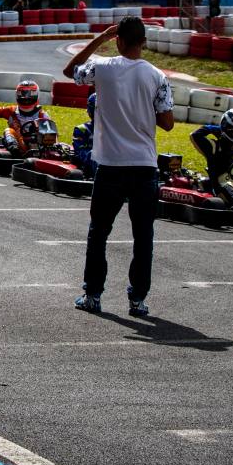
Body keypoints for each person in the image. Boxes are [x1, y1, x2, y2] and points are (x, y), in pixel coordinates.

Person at [65, 16, 174, 317]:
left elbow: (69, 71)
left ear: (119, 40)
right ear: (144, 43)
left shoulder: (103, 68)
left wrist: (99, 39)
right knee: (143, 236)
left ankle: (93, 295)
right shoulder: (157, 77)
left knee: (98, 232)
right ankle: (137, 300)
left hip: (111, 165)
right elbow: (167, 123)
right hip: (144, 166)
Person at [0, 80, 51, 156]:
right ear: (17, 94)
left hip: (38, 148)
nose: (25, 98)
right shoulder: (11, 111)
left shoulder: (42, 115)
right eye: (22, 94)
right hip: (18, 146)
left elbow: (50, 136)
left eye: (30, 94)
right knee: (8, 130)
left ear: (37, 95)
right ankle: (15, 152)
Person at [71, 93, 98, 178]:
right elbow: (81, 153)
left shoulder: (111, 130)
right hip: (88, 166)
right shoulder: (82, 129)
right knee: (94, 154)